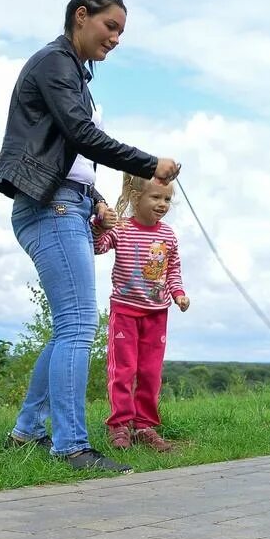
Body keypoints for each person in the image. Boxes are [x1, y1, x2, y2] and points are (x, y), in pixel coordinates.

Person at [0, 0, 179, 473]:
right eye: (110, 26)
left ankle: (27, 431)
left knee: (67, 328)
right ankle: (71, 446)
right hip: (49, 207)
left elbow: (72, 158)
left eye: (121, 31)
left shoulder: (76, 74)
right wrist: (150, 163)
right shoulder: (54, 63)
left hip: (70, 204)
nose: (115, 38)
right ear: (82, 16)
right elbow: (82, 136)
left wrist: (96, 201)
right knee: (78, 325)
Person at [93, 174, 190, 452]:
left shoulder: (168, 235)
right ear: (137, 199)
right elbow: (98, 246)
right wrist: (100, 224)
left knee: (150, 372)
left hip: (157, 313)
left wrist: (179, 294)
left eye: (167, 199)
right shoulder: (122, 229)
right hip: (125, 311)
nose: (162, 203)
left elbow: (172, 270)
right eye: (156, 197)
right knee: (123, 370)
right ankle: (119, 424)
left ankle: (144, 425)